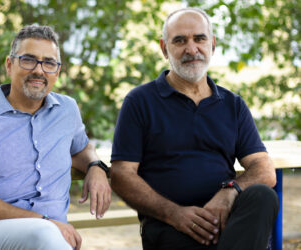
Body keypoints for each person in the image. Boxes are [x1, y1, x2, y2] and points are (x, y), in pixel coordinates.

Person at [111, 7, 279, 250]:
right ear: (164, 48)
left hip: (227, 223)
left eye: (199, 38)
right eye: (180, 40)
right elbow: (121, 175)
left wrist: (230, 190)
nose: (191, 49)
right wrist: (175, 214)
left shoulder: (232, 104)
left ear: (212, 44)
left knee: (263, 197)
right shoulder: (139, 101)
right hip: (169, 227)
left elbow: (264, 169)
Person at [0, 25, 111, 250]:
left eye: (49, 63)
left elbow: (80, 148)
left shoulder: (66, 110)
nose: (39, 71)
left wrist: (96, 166)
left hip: (51, 237)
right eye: (29, 60)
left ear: (57, 72)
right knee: (43, 233)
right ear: (9, 65)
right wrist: (42, 221)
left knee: (46, 235)